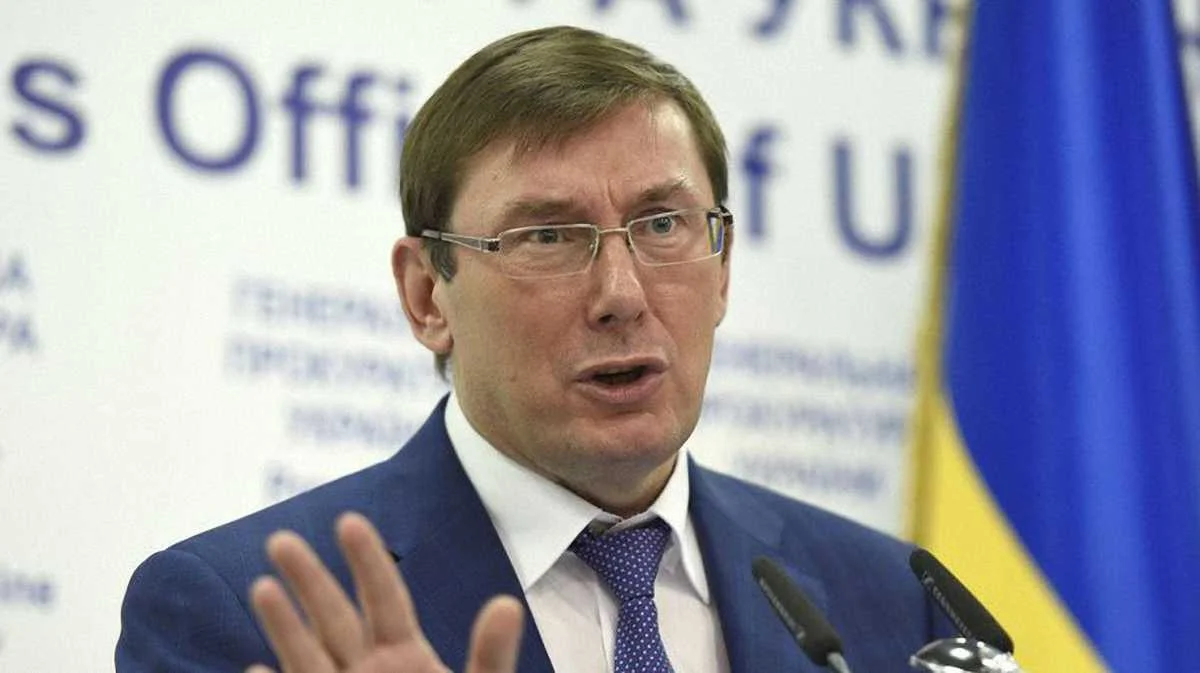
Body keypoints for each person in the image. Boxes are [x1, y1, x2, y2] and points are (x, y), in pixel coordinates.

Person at [116, 25, 947, 673]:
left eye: (663, 223)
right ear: (426, 295)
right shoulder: (239, 614)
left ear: (722, 267)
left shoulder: (897, 601)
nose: (622, 294)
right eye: (548, 235)